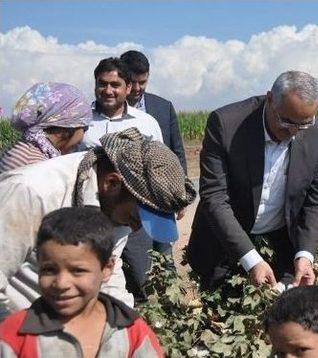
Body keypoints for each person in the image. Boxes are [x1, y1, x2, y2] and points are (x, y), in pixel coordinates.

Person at [0, 127, 196, 318]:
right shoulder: (31, 192)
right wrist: (14, 340)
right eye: (137, 219)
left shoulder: (117, 205)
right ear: (111, 183)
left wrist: (129, 325)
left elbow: (107, 276)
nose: (137, 228)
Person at [0, 206, 168, 358]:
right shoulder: (15, 335)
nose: (61, 283)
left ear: (107, 268)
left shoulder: (128, 329)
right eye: (49, 270)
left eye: (77, 271)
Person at [187, 71, 318, 289]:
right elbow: (214, 196)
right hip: (224, 246)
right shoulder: (227, 125)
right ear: (270, 99)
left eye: (303, 124)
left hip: (280, 244)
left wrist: (305, 254)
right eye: (286, 121)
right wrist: (251, 259)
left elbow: (316, 197)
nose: (293, 131)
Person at [119, 50, 188, 302]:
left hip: (160, 199)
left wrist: (179, 194)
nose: (137, 88)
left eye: (143, 82)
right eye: (132, 82)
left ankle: (172, 306)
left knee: (165, 255)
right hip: (127, 203)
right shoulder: (112, 111)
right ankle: (142, 305)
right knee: (135, 261)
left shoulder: (162, 107)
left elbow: (176, 152)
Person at [0, 82, 91, 173]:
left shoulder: (26, 150)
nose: (81, 140)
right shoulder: (37, 166)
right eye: (84, 128)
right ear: (69, 127)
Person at [82, 57, 163, 149]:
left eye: (115, 85)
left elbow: (160, 160)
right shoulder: (80, 121)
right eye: (102, 84)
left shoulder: (147, 123)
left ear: (128, 88)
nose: (108, 91)